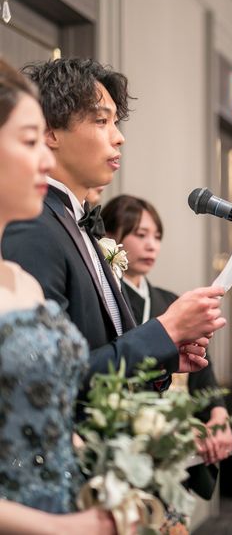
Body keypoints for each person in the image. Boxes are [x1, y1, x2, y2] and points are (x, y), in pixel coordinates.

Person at [2, 59, 226, 392]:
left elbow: (103, 345)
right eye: (101, 120)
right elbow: (52, 380)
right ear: (51, 132)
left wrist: (161, 354)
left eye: (115, 122)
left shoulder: (77, 221)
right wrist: (164, 329)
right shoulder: (33, 227)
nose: (119, 138)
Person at [0, 58, 116, 532]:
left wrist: (106, 472)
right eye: (29, 142)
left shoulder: (22, 281)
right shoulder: (35, 238)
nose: (46, 162)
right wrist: (58, 528)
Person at [101, 194, 232, 498]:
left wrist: (219, 414)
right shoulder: (108, 302)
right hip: (126, 439)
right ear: (109, 237)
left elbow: (202, 372)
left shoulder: (170, 302)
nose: (151, 245)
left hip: (176, 441)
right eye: (141, 234)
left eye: (157, 237)